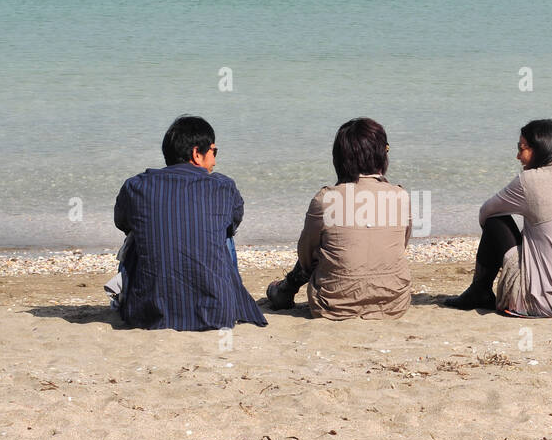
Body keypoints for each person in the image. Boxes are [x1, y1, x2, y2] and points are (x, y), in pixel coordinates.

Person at [109, 115, 267, 331]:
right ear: (196, 153)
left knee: (139, 232)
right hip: (216, 313)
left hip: (147, 315)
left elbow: (122, 222)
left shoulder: (135, 186)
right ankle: (222, 295)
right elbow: (234, 222)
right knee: (225, 234)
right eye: (214, 152)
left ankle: (150, 296)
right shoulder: (223, 187)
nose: (215, 161)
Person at [442, 119, 552, 317]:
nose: (517, 156)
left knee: (495, 221)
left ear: (540, 149)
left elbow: (486, 212)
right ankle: (479, 290)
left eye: (521, 148)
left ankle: (479, 290)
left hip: (545, 301)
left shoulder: (528, 181)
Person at [266, 118, 412, 319]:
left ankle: (285, 289)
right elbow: (400, 244)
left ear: (340, 158)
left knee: (323, 245)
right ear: (380, 155)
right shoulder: (400, 196)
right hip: (394, 303)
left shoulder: (325, 199)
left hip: (333, 304)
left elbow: (306, 257)